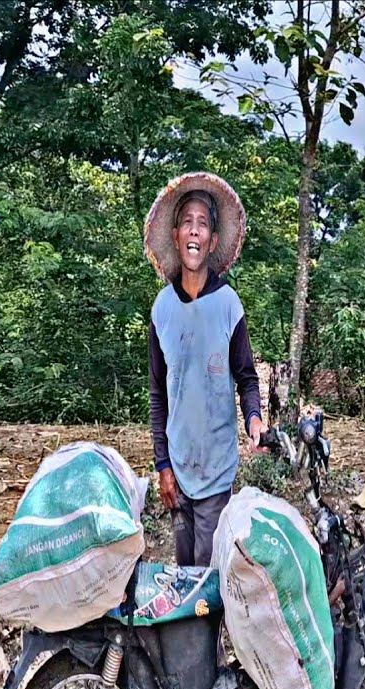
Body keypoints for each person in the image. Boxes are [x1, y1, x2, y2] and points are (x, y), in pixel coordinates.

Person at [144, 172, 266, 568]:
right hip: (178, 468)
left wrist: (254, 419)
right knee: (183, 576)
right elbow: (158, 394)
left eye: (203, 223)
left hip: (216, 468)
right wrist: (163, 465)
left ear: (212, 241)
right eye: (187, 222)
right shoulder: (162, 310)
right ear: (177, 235)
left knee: (207, 581)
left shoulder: (229, 305)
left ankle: (210, 633)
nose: (194, 231)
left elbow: (246, 376)